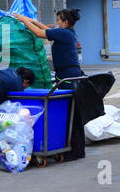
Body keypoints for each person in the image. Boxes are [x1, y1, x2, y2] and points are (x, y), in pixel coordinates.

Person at [13, 9, 85, 162]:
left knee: (71, 112)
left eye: (59, 20)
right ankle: (77, 149)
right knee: (73, 111)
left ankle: (74, 150)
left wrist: (23, 19)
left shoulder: (65, 33)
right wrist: (30, 20)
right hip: (68, 74)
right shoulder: (67, 32)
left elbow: (39, 33)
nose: (57, 22)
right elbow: (46, 29)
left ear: (65, 22)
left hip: (68, 77)